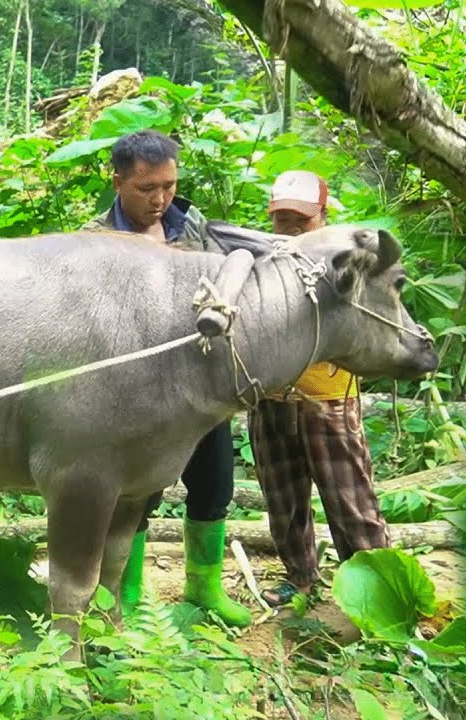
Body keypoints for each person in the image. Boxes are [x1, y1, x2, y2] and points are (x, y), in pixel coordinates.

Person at [85, 129, 251, 627]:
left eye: (169, 186)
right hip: (137, 397)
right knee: (138, 492)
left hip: (201, 387)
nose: (160, 199)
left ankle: (204, 588)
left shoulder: (192, 224)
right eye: (146, 189)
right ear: (117, 182)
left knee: (214, 484)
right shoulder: (94, 240)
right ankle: (129, 594)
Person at [247, 170, 392, 608]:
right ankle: (301, 578)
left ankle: (377, 589)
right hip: (270, 397)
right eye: (282, 219)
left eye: (301, 220)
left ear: (322, 217)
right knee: (283, 498)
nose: (290, 228)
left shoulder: (349, 260)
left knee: (350, 498)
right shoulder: (261, 260)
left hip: (327, 398)